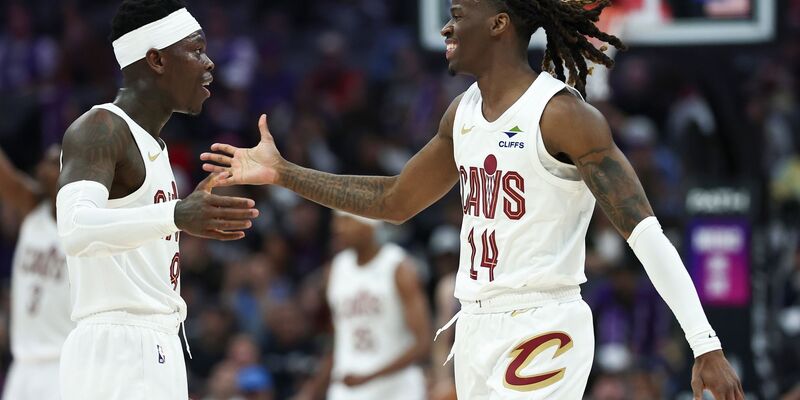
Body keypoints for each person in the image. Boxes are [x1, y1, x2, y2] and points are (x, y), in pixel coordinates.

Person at [201, 0, 744, 398]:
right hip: (476, 325)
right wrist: (283, 172)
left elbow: (644, 231)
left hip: (542, 324)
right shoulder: (460, 114)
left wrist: (705, 342)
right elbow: (393, 199)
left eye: (458, 13)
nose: (446, 25)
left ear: (500, 24)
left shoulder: (563, 115)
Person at [56, 1, 258, 399]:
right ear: (156, 60)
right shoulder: (100, 129)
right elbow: (75, 229)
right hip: (117, 349)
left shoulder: (155, 146)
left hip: (156, 342)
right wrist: (176, 214)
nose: (209, 63)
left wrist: (181, 218)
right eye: (196, 50)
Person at [296, 211, 431, 400]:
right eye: (336, 222)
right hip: (348, 388)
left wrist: (370, 376)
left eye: (346, 221)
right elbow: (338, 340)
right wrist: (311, 391)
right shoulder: (335, 269)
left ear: (369, 224)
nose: (338, 228)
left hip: (397, 389)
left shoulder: (398, 267)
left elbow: (423, 343)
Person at [0, 144, 73, 400]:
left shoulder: (87, 226)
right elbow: (5, 175)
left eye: (53, 164)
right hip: (22, 362)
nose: (42, 170)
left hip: (62, 364)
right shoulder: (32, 209)